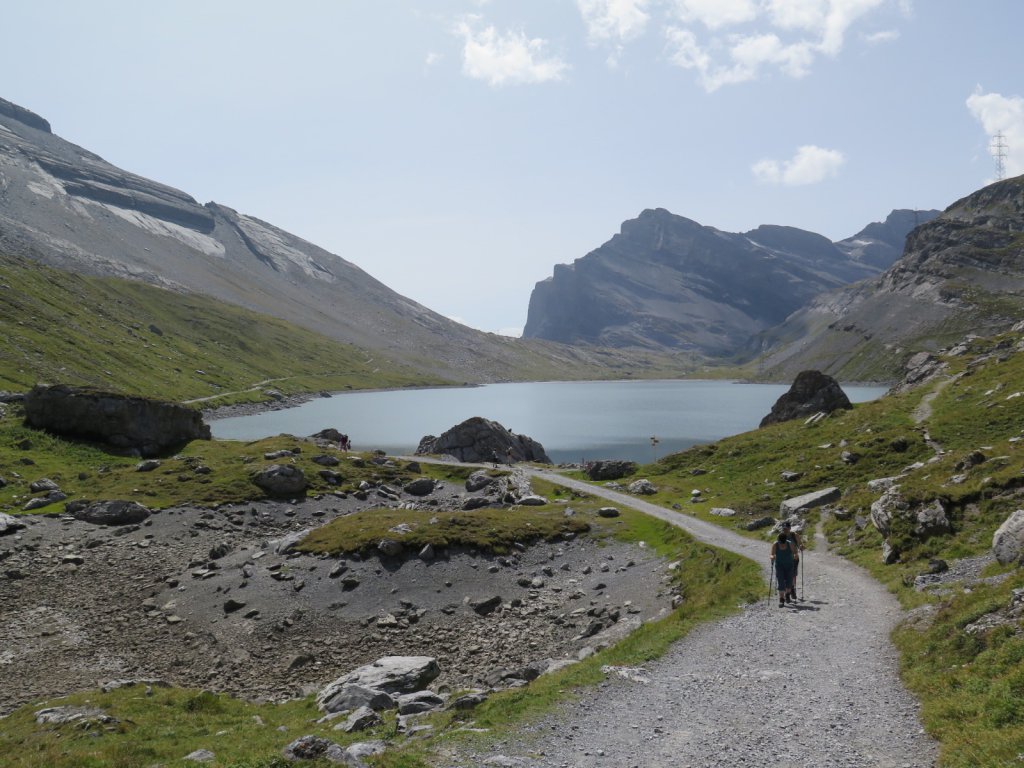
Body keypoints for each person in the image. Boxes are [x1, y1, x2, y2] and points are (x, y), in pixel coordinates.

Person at [770, 532, 798, 607]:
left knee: (789, 582)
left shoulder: (790, 544)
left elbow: (795, 552)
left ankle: (787, 595)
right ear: (778, 540)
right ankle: (781, 600)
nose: (782, 544)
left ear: (785, 540)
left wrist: (795, 555)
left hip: (789, 565)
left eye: (783, 542)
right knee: (781, 582)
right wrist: (772, 557)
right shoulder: (775, 544)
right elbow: (772, 554)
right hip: (779, 566)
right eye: (780, 542)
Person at [782, 521, 804, 601]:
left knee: (793, 575)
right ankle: (790, 590)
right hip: (784, 559)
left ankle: (792, 589)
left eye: (787, 528)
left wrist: (801, 546)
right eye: (784, 529)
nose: (785, 530)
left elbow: (800, 544)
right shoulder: (781, 536)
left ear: (790, 528)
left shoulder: (795, 535)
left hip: (794, 558)